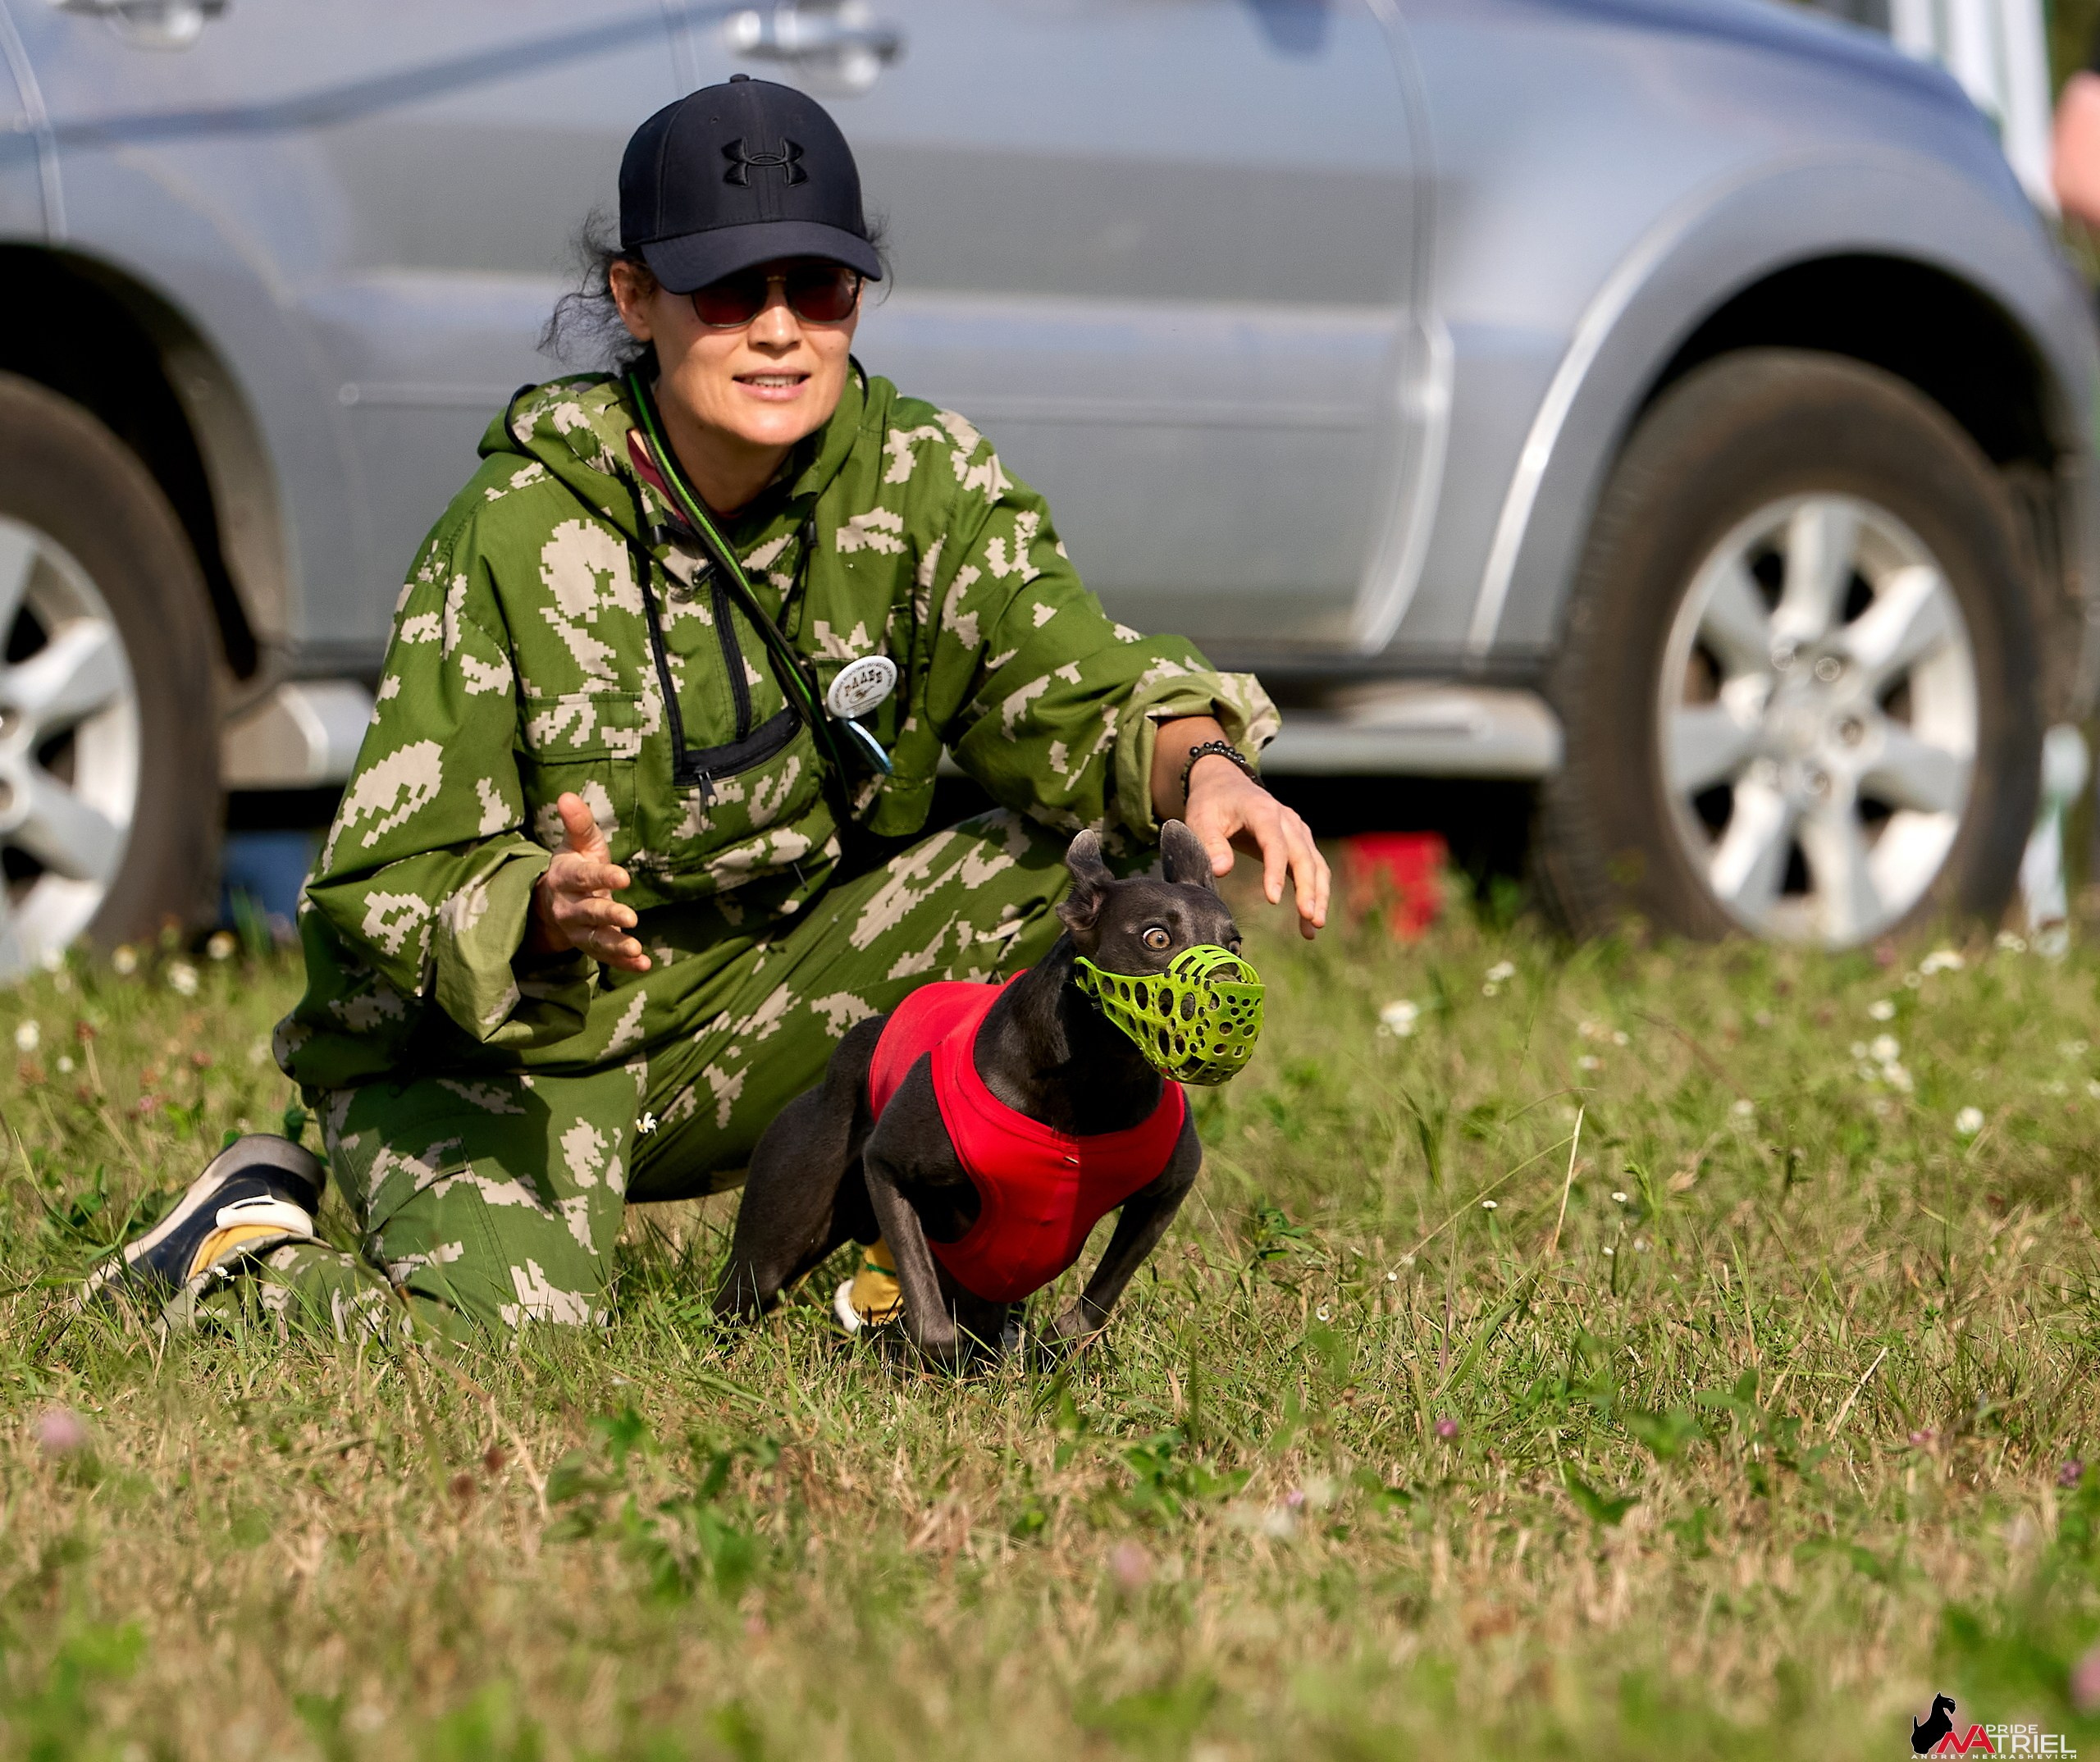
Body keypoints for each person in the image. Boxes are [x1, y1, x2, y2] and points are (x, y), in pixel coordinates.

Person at [86, 76, 1326, 1342]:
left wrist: (1206, 766)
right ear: (635, 300)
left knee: (1088, 873)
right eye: (731, 292)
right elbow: (371, 889)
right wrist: (535, 909)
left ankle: (940, 1266)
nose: (780, 330)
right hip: (503, 1046)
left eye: (822, 287)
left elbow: (1080, 680)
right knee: (505, 1347)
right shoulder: (516, 534)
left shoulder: (918, 479)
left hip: (749, 1006)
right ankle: (232, 1255)